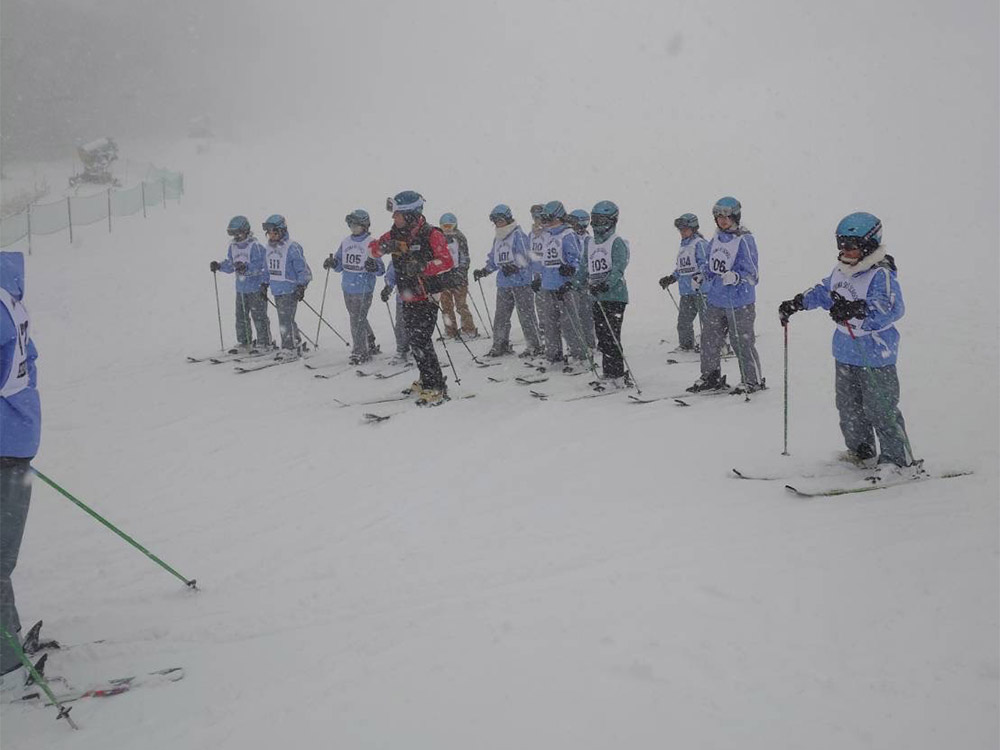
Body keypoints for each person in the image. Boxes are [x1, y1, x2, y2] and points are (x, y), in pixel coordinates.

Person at [779, 212, 919, 482]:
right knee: (848, 407)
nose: (845, 250)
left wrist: (857, 308)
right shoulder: (840, 271)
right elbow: (823, 292)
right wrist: (797, 303)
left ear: (868, 244)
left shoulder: (880, 274)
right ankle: (861, 451)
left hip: (875, 354)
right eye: (841, 244)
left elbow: (891, 309)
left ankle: (896, 460)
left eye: (851, 245)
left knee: (880, 409)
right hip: (845, 351)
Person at [369, 191, 455, 406]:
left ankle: (436, 385)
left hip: (427, 295)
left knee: (421, 341)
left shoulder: (431, 234)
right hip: (407, 295)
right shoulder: (394, 235)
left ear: (410, 215)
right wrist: (382, 248)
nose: (393, 218)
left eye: (397, 214)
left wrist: (424, 266)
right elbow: (372, 251)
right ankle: (425, 378)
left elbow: (447, 261)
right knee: (413, 340)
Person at [0, 251, 41, 693]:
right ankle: (6, 642)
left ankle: (5, 662)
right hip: (12, 439)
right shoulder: (10, 300)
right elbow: (31, 364)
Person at [687, 196, 763, 394]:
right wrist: (702, 275)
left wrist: (737, 277)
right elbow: (711, 265)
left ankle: (751, 380)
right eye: (718, 216)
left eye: (726, 216)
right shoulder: (717, 237)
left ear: (735, 216)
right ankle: (710, 376)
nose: (722, 220)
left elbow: (753, 274)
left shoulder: (745, 239)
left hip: (740, 301)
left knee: (742, 342)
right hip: (716, 298)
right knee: (709, 340)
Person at [573, 201, 631, 386]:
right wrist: (572, 285)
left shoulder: (616, 242)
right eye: (595, 220)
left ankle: (618, 375)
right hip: (596, 297)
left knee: (612, 336)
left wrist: (606, 284)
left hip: (615, 297)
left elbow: (619, 268)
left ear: (612, 221)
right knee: (602, 337)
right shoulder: (589, 243)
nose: (597, 225)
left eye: (602, 220)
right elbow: (584, 268)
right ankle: (609, 374)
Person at [472, 204, 541, 358]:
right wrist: (485, 271)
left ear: (508, 219)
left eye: (501, 220)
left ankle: (534, 346)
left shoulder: (518, 235)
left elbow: (527, 257)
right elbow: (494, 258)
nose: (498, 223)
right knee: (501, 316)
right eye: (495, 221)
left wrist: (517, 268)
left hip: (521, 283)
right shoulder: (498, 237)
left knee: (526, 316)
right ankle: (500, 344)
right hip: (504, 283)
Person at [323, 210, 384, 365]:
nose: (353, 228)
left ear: (365, 226)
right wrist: (333, 263)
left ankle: (360, 351)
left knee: (356, 319)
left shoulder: (371, 242)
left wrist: (373, 266)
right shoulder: (346, 242)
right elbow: (339, 263)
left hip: (364, 287)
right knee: (357, 317)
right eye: (351, 225)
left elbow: (380, 269)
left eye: (356, 225)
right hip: (348, 287)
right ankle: (369, 339)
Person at [533, 200, 587, 369]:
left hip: (563, 287)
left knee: (569, 322)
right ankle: (553, 355)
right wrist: (539, 278)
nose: (546, 222)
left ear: (558, 217)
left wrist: (570, 272)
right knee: (549, 323)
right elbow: (545, 260)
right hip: (548, 285)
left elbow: (577, 259)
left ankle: (580, 355)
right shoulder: (548, 235)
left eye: (548, 218)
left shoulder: (567, 235)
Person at [210, 216, 272, 354]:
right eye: (233, 234)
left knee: (259, 316)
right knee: (241, 316)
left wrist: (247, 268)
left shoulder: (255, 246)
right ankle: (245, 341)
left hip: (256, 289)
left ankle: (264, 342)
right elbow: (231, 264)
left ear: (246, 231)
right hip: (241, 289)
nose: (236, 237)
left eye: (238, 233)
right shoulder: (233, 247)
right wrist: (219, 266)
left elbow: (262, 266)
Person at [262, 214, 312, 358]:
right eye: (269, 233)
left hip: (289, 290)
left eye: (274, 232)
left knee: (284, 319)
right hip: (276, 289)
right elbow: (266, 268)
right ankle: (295, 341)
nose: (271, 236)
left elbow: (302, 269)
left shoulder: (292, 247)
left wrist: (301, 286)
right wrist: (264, 284)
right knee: (286, 318)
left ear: (282, 231)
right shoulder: (269, 248)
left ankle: (289, 348)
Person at [659, 213, 708, 353]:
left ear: (693, 228)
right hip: (686, 291)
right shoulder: (683, 247)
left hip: (702, 290)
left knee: (708, 322)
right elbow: (682, 268)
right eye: (680, 229)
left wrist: (700, 276)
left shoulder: (700, 244)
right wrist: (671, 278)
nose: (682, 232)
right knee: (683, 322)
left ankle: (715, 346)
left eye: (685, 229)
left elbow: (706, 264)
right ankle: (686, 345)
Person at [437, 213, 478, 339]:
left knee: (461, 305)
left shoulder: (459, 238)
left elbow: (465, 258)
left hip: (459, 278)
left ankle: (469, 329)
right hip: (444, 277)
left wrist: (460, 272)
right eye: (445, 226)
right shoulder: (438, 238)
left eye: (450, 226)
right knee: (446, 306)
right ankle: (450, 330)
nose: (447, 229)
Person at [566, 209, 596, 349]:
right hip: (573, 282)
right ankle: (579, 344)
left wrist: (580, 272)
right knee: (575, 314)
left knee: (586, 314)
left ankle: (589, 343)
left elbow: (587, 261)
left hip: (585, 282)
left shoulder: (589, 240)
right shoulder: (570, 237)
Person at [380, 259, 411, 366]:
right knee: (400, 326)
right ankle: (402, 350)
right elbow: (390, 276)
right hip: (402, 298)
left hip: (419, 298)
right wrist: (388, 288)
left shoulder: (418, 254)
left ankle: (416, 351)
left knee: (416, 326)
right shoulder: (396, 259)